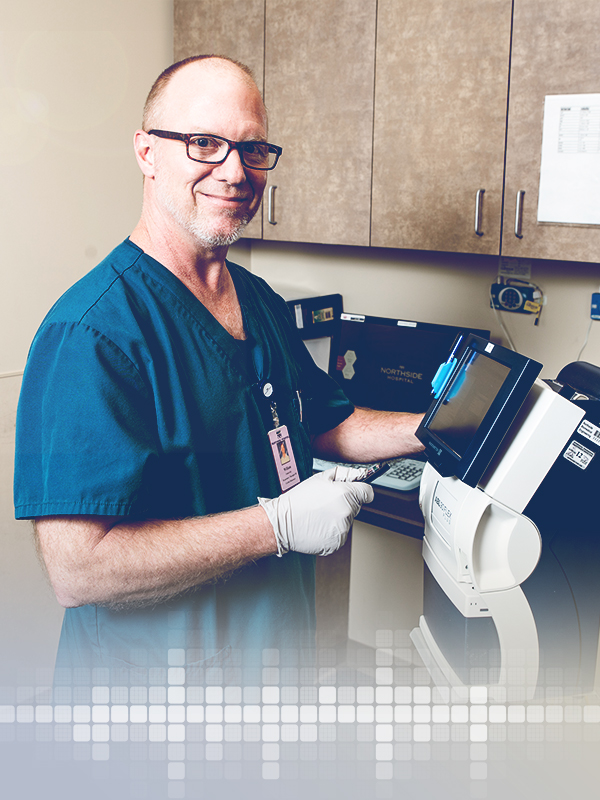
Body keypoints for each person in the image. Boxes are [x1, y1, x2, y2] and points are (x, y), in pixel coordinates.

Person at [14, 56, 423, 677]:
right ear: (147, 152)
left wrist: (442, 429)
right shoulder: (93, 334)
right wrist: (276, 526)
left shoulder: (257, 301)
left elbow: (325, 423)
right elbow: (79, 569)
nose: (235, 171)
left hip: (273, 662)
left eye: (252, 148)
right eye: (204, 143)